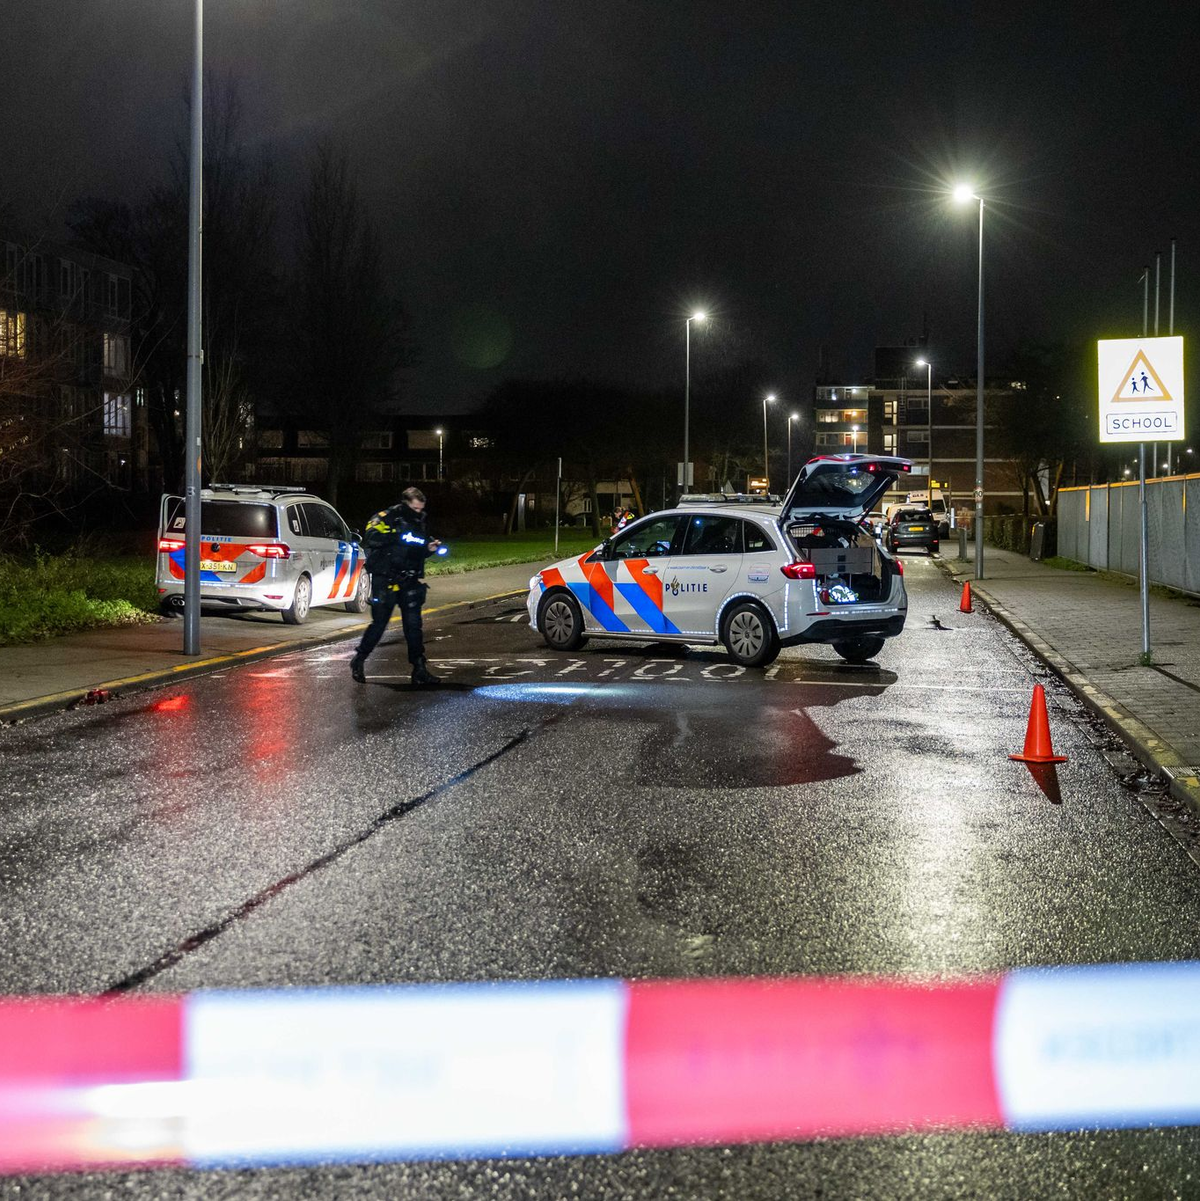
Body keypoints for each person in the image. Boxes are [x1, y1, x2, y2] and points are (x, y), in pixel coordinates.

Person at [350, 486, 442, 685]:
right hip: (386, 579)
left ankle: (419, 669)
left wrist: (429, 548)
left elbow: (417, 547)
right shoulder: (385, 517)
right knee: (380, 623)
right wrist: (397, 536)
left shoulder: (418, 521)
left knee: (413, 626)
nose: (418, 512)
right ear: (406, 504)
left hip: (409, 579)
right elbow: (372, 537)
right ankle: (359, 659)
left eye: (420, 509)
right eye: (415, 508)